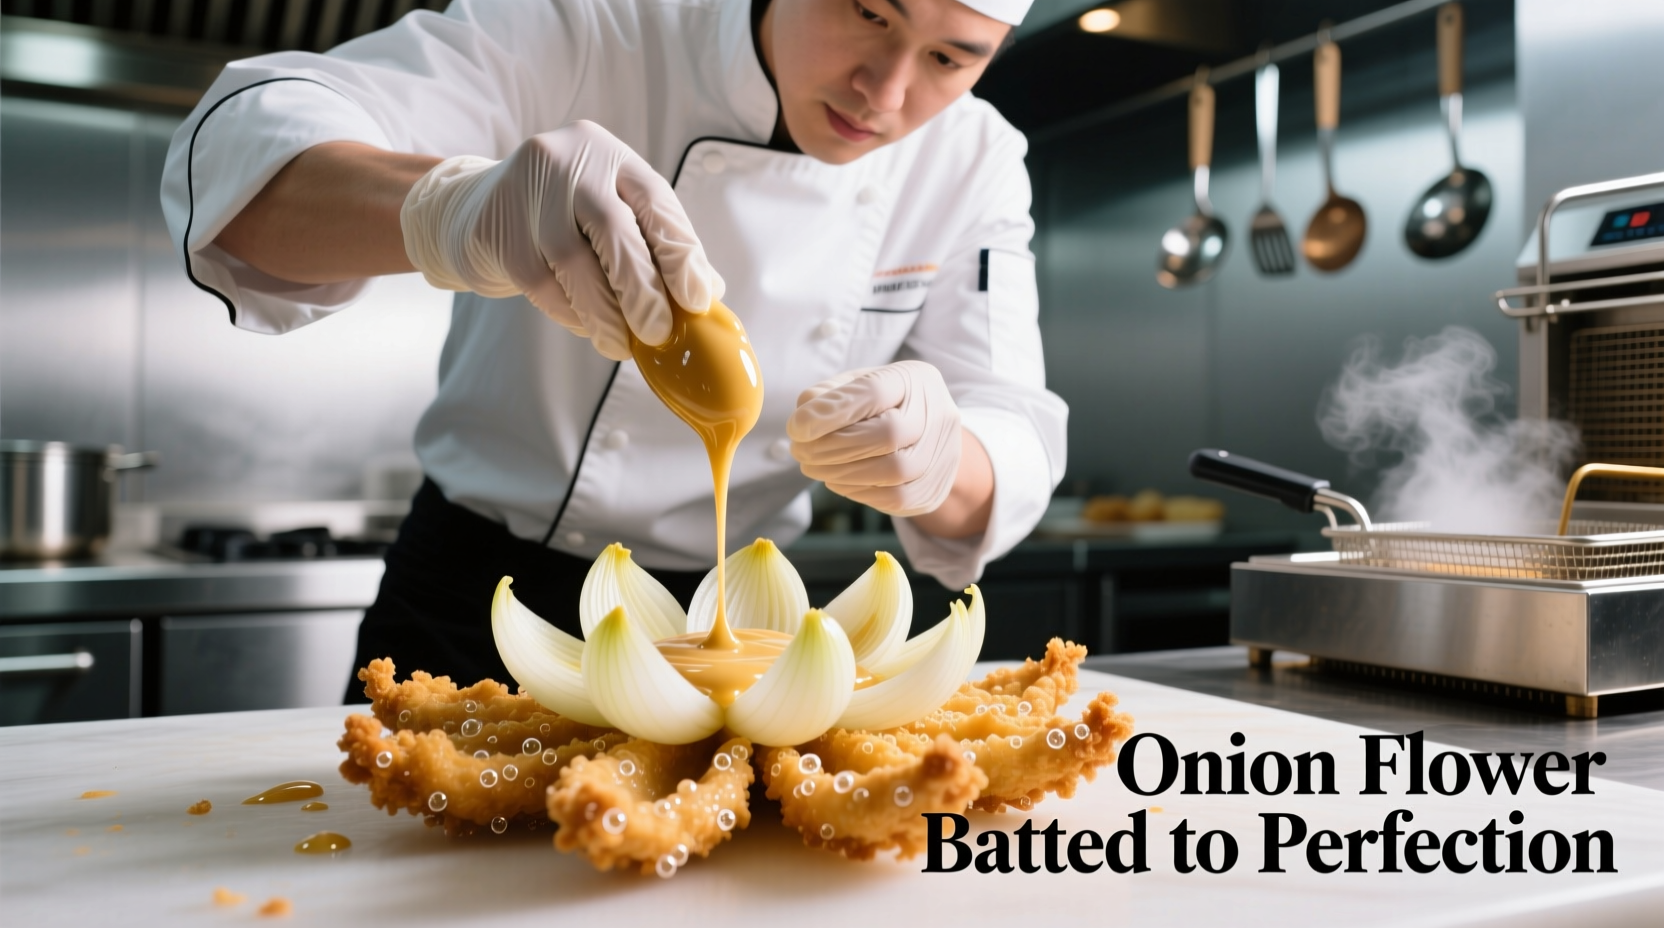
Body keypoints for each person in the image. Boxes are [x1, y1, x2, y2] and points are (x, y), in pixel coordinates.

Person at [159, 0, 1067, 697]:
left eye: (951, 58)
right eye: (868, 11)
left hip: (732, 632)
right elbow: (244, 154)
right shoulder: (599, 23)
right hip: (477, 601)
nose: (888, 89)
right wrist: (453, 212)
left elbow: (1012, 426)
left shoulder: (973, 159)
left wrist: (939, 457)